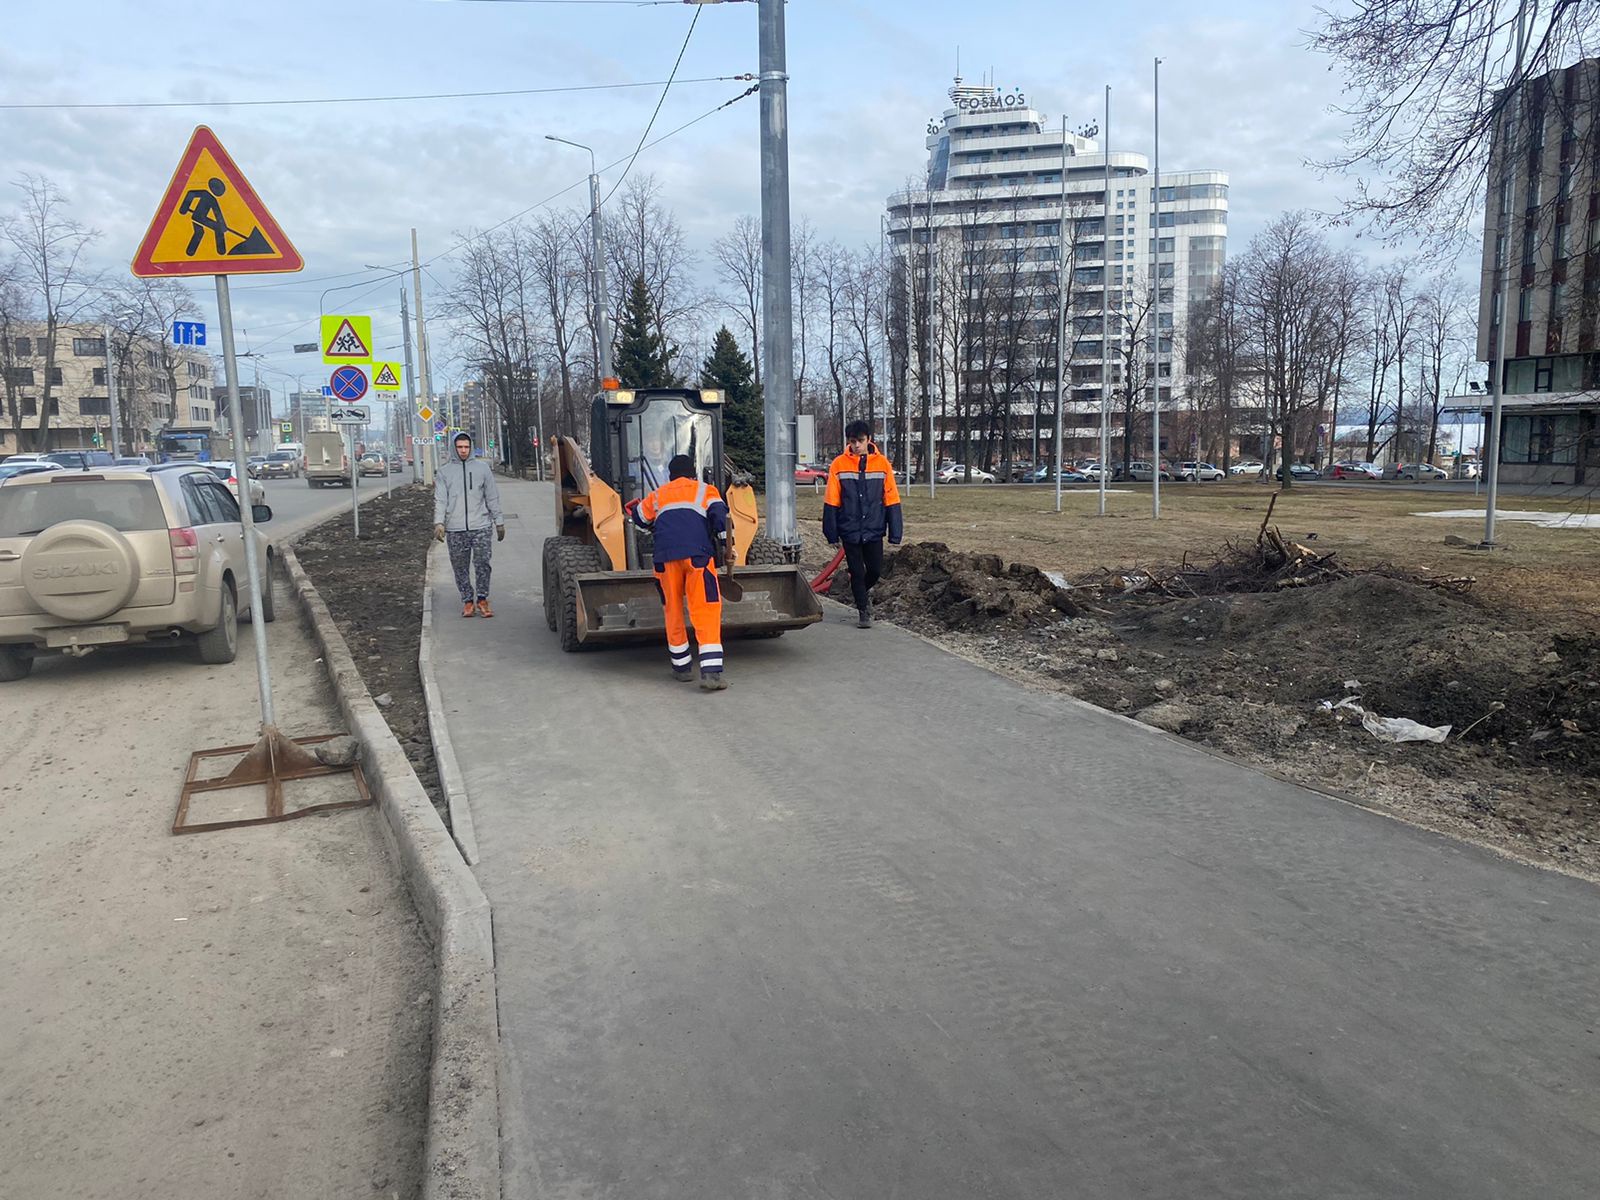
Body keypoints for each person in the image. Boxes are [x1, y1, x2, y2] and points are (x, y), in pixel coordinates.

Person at [630, 453, 732, 691]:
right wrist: (726, 543)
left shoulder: (658, 495)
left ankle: (682, 668)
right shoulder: (705, 490)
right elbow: (719, 517)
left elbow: (639, 519)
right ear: (692, 472)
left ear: (670, 474)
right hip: (697, 556)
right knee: (705, 609)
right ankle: (711, 675)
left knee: (673, 609)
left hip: (664, 559)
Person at [823, 419, 904, 629]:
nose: (856, 445)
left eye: (860, 441)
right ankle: (863, 610)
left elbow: (891, 497)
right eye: (852, 441)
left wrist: (895, 532)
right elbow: (832, 498)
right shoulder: (838, 465)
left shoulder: (882, 464)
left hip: (874, 528)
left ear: (868, 440)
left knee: (875, 570)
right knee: (857, 571)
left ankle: (860, 591)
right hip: (849, 529)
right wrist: (831, 532)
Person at [433, 432, 505, 618]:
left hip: (480, 525)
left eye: (466, 447)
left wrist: (499, 522)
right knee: (460, 566)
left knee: (482, 563)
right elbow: (440, 499)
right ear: (454, 448)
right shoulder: (444, 472)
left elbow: (492, 496)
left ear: (471, 447)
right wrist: (439, 522)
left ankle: (482, 599)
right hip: (456, 528)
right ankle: (467, 600)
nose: (463, 451)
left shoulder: (483, 469)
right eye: (460, 447)